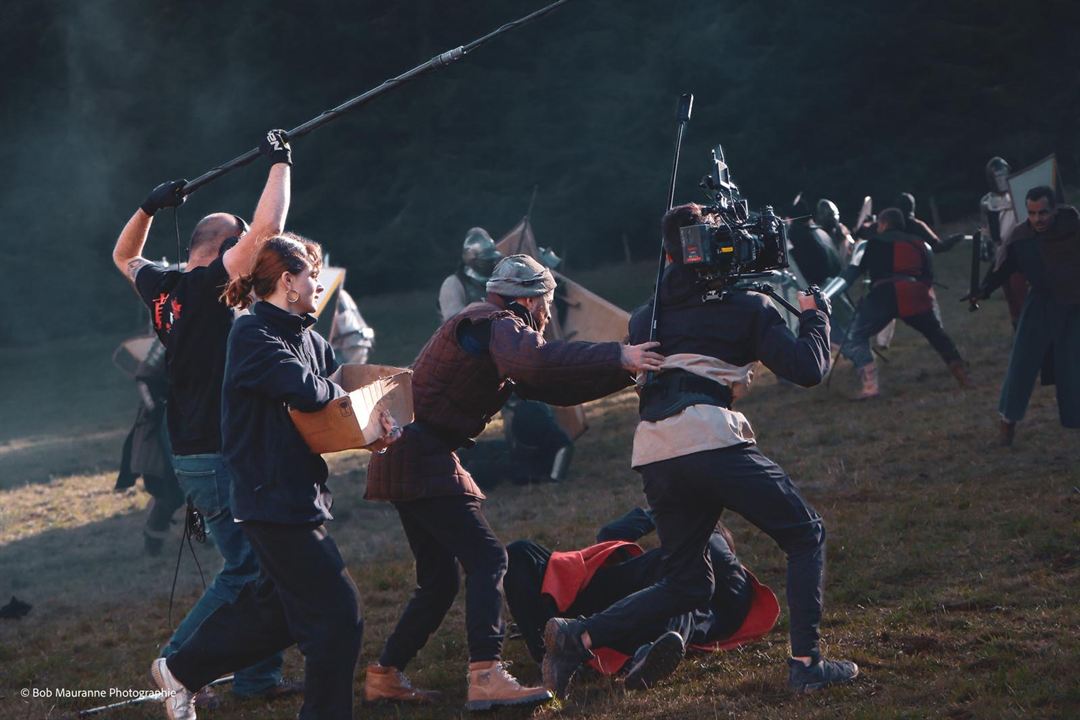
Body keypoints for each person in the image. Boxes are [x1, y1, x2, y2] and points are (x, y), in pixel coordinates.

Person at [541, 203, 858, 699]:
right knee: (805, 535)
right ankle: (807, 663)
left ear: (670, 254)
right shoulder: (747, 307)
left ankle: (577, 635)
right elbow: (808, 369)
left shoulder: (647, 316)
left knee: (688, 585)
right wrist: (816, 318)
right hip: (709, 438)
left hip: (655, 449)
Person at [361, 254, 664, 711]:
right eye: (544, 303)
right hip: (422, 453)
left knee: (440, 580)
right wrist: (619, 353)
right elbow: (541, 365)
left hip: (413, 452)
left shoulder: (491, 328)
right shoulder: (494, 321)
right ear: (527, 299)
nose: (546, 313)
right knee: (487, 561)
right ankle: (486, 675)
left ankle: (384, 675)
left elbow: (550, 387)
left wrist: (625, 372)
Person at [150, 235, 383, 720]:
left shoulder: (308, 337)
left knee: (278, 615)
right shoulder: (252, 334)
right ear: (287, 283)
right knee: (340, 616)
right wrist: (346, 396)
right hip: (269, 501)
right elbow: (310, 390)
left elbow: (334, 400)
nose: (319, 284)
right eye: (311, 276)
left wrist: (376, 423)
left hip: (301, 496)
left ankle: (182, 671)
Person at [111, 130, 296, 702]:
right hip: (216, 453)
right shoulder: (214, 283)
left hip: (193, 450)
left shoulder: (164, 287)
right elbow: (269, 230)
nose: (253, 257)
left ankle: (257, 677)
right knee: (248, 570)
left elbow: (124, 255)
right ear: (226, 248)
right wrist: (280, 162)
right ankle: (174, 666)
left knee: (265, 567)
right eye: (242, 247)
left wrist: (147, 205)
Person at [504, 507, 779, 691]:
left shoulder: (717, 587)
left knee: (678, 573)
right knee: (519, 553)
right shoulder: (658, 561)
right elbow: (610, 535)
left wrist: (699, 517)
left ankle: (635, 656)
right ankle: (550, 650)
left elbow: (720, 580)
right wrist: (661, 509)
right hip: (597, 605)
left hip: (641, 629)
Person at [970, 185, 1080, 445]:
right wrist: (983, 290)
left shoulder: (1074, 229)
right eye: (1031, 213)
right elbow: (1003, 268)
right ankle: (1007, 425)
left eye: (1043, 212)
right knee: (1021, 364)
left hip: (1073, 306)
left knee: (1074, 366)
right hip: (1039, 304)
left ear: (1054, 209)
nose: (1037, 219)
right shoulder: (1021, 237)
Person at [831, 208, 971, 399]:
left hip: (883, 296)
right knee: (937, 335)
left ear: (883, 224)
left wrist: (824, 295)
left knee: (856, 336)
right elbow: (928, 276)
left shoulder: (870, 244)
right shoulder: (920, 244)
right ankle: (963, 377)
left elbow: (850, 274)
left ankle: (870, 387)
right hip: (913, 294)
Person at [113, 336, 185, 556]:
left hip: (199, 414)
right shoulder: (170, 333)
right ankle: (153, 538)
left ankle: (215, 537)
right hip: (165, 419)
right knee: (171, 489)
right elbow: (145, 378)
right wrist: (160, 409)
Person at [980, 157, 1028, 326]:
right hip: (1000, 251)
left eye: (1003, 175)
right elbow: (987, 227)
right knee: (1011, 299)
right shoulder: (987, 201)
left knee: (1021, 293)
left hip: (1018, 250)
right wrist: (986, 244)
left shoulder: (1019, 194)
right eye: (997, 177)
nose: (1001, 180)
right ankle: (1018, 331)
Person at [438, 227, 503, 321]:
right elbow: (455, 323)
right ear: (473, 260)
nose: (492, 262)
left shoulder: (500, 280)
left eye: (492, 259)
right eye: (486, 260)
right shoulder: (453, 284)